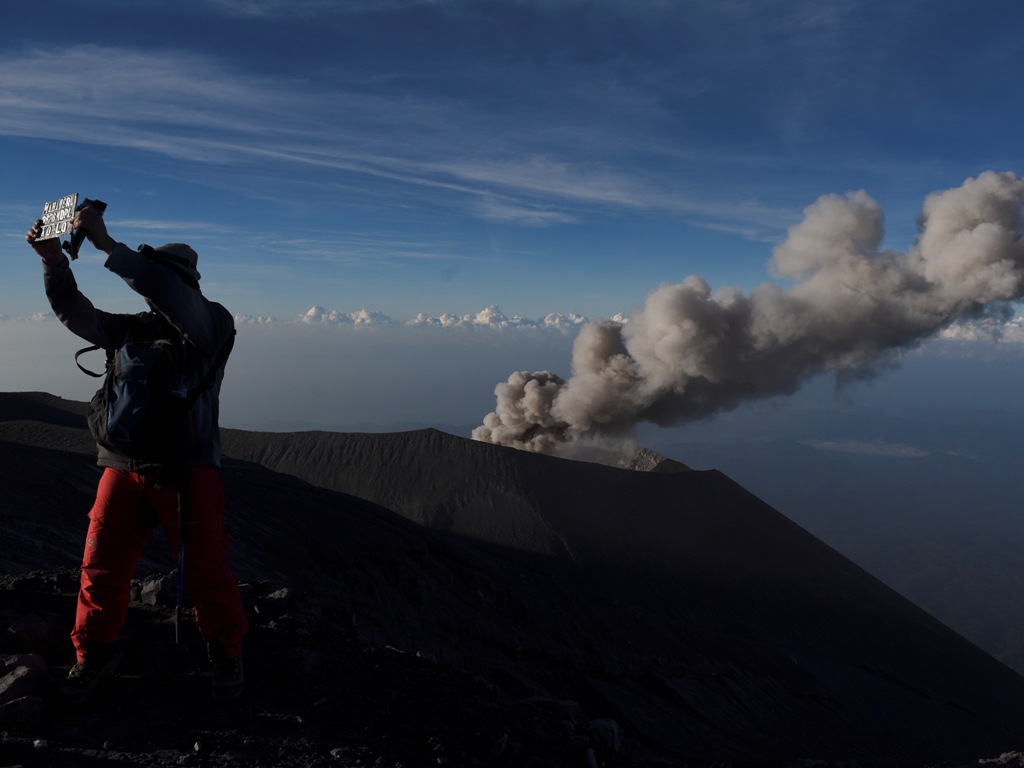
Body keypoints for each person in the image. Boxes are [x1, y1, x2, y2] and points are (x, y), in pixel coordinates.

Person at [26, 206, 248, 704]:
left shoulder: (213, 326)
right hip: (123, 467)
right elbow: (75, 314)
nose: (155, 294)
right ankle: (93, 655)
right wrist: (52, 263)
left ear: (182, 287)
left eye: (161, 285)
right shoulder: (134, 330)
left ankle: (227, 652)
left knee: (206, 570)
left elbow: (169, 295)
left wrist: (108, 246)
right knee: (100, 567)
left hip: (188, 471)